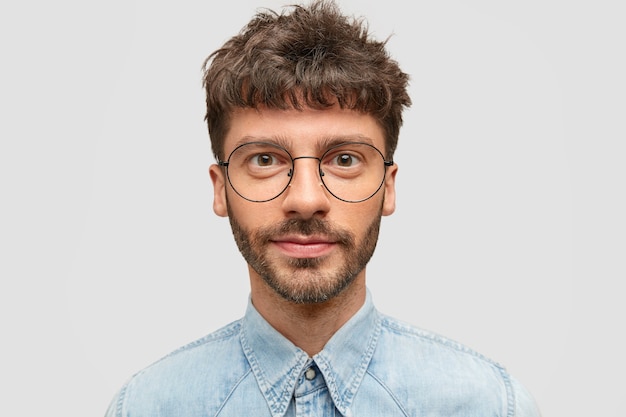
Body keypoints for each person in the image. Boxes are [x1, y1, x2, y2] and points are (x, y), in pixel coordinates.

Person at [105, 1, 542, 416]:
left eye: (344, 159)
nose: (307, 200)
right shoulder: (144, 408)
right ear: (221, 189)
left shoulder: (491, 407)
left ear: (387, 187)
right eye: (264, 160)